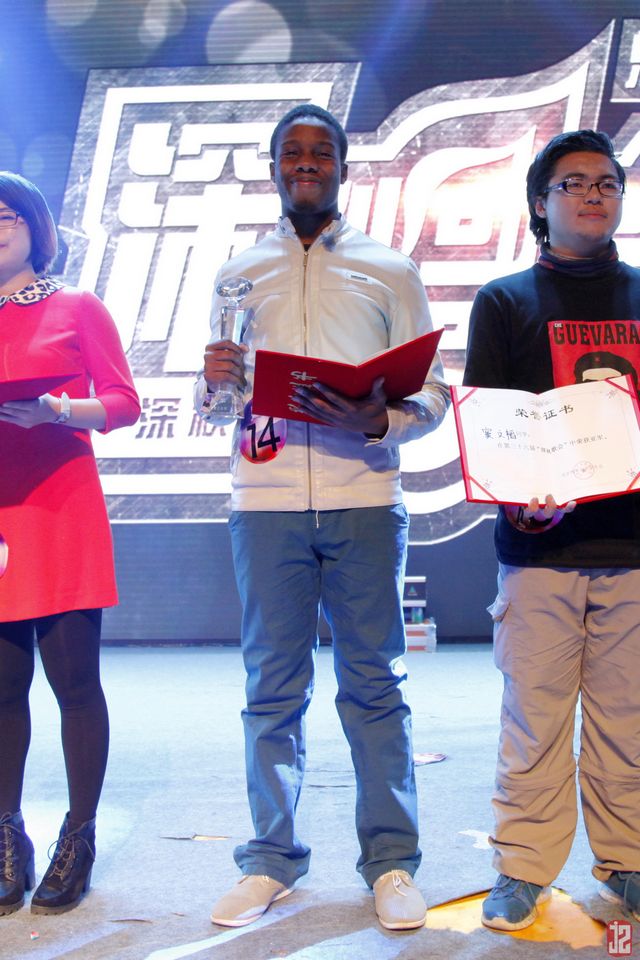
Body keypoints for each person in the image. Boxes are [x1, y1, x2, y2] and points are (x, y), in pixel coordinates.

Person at [194, 104, 449, 931]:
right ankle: (270, 860)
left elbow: (434, 396)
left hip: (365, 498)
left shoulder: (390, 269)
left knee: (375, 684)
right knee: (272, 688)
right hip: (265, 501)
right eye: (292, 152)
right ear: (274, 167)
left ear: (343, 166)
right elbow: (218, 407)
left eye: (321, 152)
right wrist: (212, 383)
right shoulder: (238, 273)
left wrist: (380, 418)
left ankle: (392, 862)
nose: (306, 163)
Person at [463, 130, 640, 931]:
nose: (594, 194)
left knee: (628, 720)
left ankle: (628, 863)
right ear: (541, 202)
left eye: (608, 182)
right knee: (533, 719)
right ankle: (523, 867)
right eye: (575, 183)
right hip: (540, 551)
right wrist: (518, 499)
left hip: (633, 548)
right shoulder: (505, 300)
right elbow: (492, 422)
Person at [0, 172, 140, 916]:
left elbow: (123, 401)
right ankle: (6, 834)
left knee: (73, 682)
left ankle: (77, 837)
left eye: (7, 215)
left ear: (35, 227)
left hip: (59, 507)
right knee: (1, 689)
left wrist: (58, 409)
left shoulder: (76, 305)